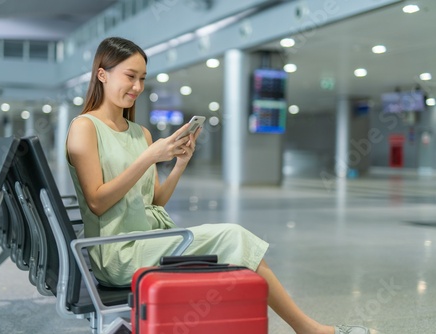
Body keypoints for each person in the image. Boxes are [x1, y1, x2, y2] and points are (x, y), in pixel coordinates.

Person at [66, 36, 372, 334]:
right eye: (130, 76)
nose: (138, 87)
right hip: (117, 253)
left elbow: (155, 202)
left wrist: (179, 164)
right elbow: (97, 201)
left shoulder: (141, 133)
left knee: (232, 246)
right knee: (233, 237)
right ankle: (309, 330)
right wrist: (148, 158)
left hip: (148, 240)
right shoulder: (84, 127)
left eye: (143, 78)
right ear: (102, 74)